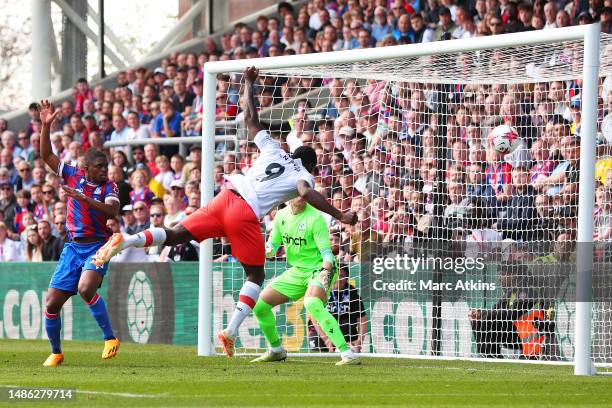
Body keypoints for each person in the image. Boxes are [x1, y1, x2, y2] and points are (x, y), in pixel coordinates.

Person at [92, 67, 357, 358]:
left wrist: (247, 83)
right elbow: (306, 193)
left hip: (226, 195)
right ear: (313, 166)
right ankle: (231, 330)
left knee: (176, 234)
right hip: (245, 213)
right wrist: (341, 215)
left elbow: (251, 119)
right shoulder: (304, 174)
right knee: (255, 274)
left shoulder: (273, 149)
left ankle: (127, 239)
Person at [38, 100, 121, 367]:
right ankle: (56, 352)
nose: (104, 170)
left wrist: (83, 199)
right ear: (86, 168)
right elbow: (46, 156)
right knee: (51, 303)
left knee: (86, 288)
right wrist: (46, 125)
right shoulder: (73, 175)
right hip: (73, 247)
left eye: (106, 166)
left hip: (99, 246)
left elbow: (112, 213)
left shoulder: (110, 187)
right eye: (99, 167)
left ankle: (110, 338)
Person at [251, 197, 360, 365]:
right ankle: (276, 350)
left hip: (321, 268)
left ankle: (347, 353)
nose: (301, 197)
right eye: (297, 193)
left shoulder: (315, 218)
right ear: (288, 195)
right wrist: (264, 250)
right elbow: (272, 247)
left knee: (312, 303)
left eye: (304, 194)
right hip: (297, 271)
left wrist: (325, 272)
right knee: (259, 307)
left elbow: (327, 255)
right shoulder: (281, 216)